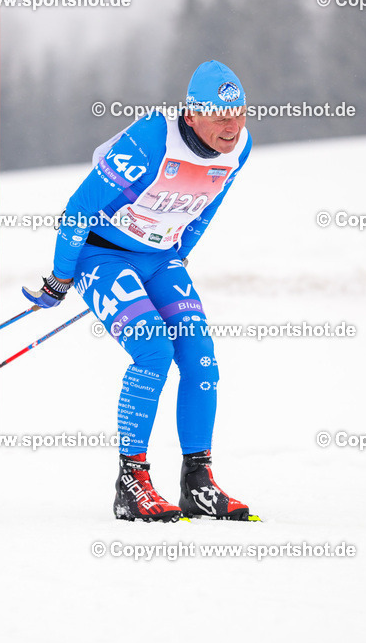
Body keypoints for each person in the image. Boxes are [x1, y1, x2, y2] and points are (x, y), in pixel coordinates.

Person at [23, 60, 254, 522]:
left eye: (240, 113)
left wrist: (180, 252)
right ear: (191, 115)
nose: (232, 127)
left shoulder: (239, 148)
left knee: (199, 355)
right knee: (153, 350)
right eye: (219, 116)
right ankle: (131, 483)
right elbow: (79, 207)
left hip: (159, 257)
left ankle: (198, 482)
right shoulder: (150, 140)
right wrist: (60, 276)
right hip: (102, 252)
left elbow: (208, 206)